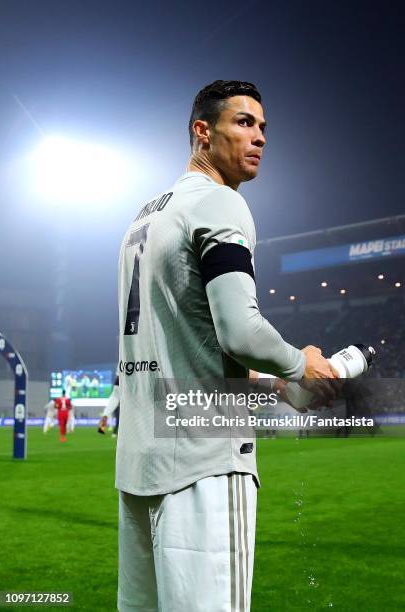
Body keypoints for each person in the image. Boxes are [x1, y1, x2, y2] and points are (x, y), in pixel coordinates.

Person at [116, 80, 338, 611]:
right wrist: (299, 364)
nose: (259, 136)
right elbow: (240, 332)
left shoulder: (144, 217)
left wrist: (270, 385)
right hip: (205, 465)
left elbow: (186, 341)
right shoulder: (220, 203)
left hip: (139, 466)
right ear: (202, 132)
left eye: (263, 127)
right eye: (244, 123)